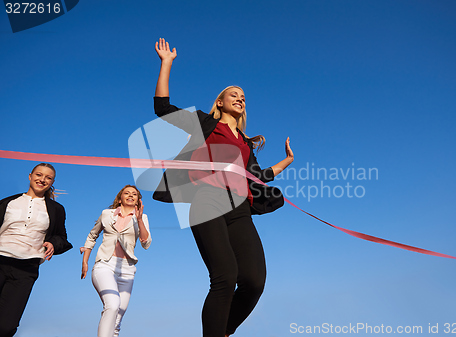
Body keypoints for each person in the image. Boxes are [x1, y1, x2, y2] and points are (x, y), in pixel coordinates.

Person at [153, 38, 294, 337]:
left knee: (254, 281)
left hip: (239, 208)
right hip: (205, 201)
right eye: (234, 94)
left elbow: (258, 176)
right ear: (220, 102)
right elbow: (163, 109)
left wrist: (285, 163)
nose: (240, 98)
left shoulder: (244, 143)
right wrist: (167, 63)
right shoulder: (205, 124)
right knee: (225, 276)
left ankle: (221, 331)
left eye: (243, 96)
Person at [0, 163, 72, 337]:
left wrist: (53, 243)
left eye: (48, 177)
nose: (43, 180)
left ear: (52, 182)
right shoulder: (7, 202)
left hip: (26, 269)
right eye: (39, 175)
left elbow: (62, 238)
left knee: (6, 327)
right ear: (30, 176)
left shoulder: (56, 209)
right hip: (0, 258)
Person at [80, 185, 152, 337]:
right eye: (127, 193)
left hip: (127, 269)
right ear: (120, 198)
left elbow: (146, 243)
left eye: (134, 194)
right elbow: (92, 235)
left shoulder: (142, 218)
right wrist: (85, 261)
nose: (131, 195)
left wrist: (139, 220)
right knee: (112, 305)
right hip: (105, 265)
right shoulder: (107, 214)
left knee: (117, 319)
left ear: (138, 200)